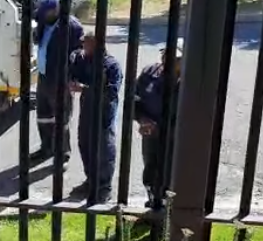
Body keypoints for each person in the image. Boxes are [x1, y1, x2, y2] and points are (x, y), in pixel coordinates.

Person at [68, 31, 123, 203]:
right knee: (85, 144)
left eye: (87, 43)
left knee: (104, 149)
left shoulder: (111, 65)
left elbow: (111, 91)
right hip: (87, 110)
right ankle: (91, 181)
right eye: (83, 43)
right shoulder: (85, 60)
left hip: (104, 112)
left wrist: (84, 88)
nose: (83, 46)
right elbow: (73, 71)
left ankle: (104, 187)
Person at [30, 0, 85, 165]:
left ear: (56, 11)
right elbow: (38, 39)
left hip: (61, 79)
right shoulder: (44, 22)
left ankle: (62, 153)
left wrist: (73, 78)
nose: (43, 17)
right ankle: (47, 148)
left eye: (46, 14)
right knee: (43, 115)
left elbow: (79, 55)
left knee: (62, 119)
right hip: (45, 76)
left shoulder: (72, 26)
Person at [133, 39, 183, 208]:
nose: (167, 61)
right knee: (150, 171)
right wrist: (142, 119)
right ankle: (153, 205)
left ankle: (168, 212)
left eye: (175, 59)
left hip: (175, 138)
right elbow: (134, 98)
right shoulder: (149, 73)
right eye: (165, 56)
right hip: (151, 134)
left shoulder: (189, 81)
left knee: (172, 174)